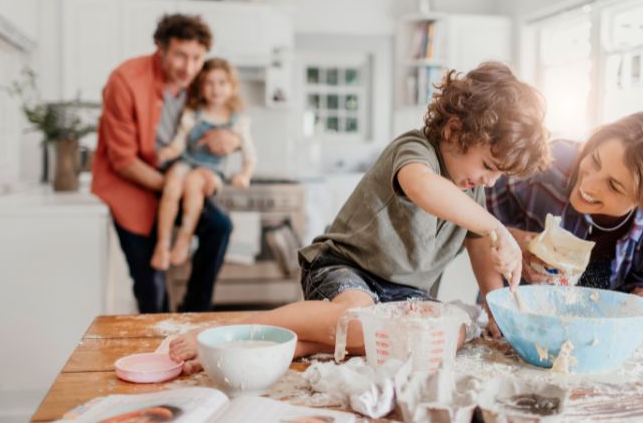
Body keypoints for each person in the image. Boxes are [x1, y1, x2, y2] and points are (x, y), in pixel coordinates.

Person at [168, 61, 552, 374]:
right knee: (357, 321)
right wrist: (495, 225)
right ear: (455, 130)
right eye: (488, 164)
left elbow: (481, 250)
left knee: (446, 337)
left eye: (499, 173)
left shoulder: (473, 192)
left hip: (404, 298)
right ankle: (231, 329)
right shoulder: (415, 150)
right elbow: (423, 188)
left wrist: (495, 309)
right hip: (345, 270)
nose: (489, 179)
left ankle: (266, 348)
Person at [486, 110, 643, 323]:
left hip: (609, 332)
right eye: (596, 161)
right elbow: (471, 217)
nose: (587, 185)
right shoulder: (546, 163)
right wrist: (510, 241)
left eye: (613, 185)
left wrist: (632, 315)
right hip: (520, 320)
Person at [91, 14, 238, 313]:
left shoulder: (198, 82)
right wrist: (177, 187)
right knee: (151, 286)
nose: (189, 67)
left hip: (179, 178)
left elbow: (225, 117)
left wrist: (231, 141)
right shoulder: (125, 81)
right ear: (160, 48)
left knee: (219, 227)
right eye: (180, 56)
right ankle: (155, 348)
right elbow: (123, 161)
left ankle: (194, 315)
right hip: (130, 185)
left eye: (197, 58)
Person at [151, 58, 257, 270]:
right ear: (201, 87)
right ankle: (162, 245)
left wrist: (244, 175)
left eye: (221, 83)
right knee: (172, 184)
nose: (215, 89)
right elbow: (179, 143)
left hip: (211, 170)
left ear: (232, 86)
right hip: (187, 161)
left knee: (193, 182)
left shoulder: (237, 121)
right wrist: (167, 153)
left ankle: (184, 239)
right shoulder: (193, 114)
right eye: (209, 83)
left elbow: (250, 155)